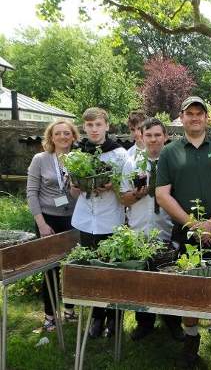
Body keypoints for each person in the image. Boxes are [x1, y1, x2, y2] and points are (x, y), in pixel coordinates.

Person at [155, 96, 211, 369]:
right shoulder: (169, 152)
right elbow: (161, 194)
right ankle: (191, 339)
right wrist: (193, 225)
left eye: (199, 113)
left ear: (206, 118)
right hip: (184, 233)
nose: (194, 117)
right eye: (189, 113)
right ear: (181, 117)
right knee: (188, 287)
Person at [120, 118, 179, 341]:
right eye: (148, 135)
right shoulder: (131, 162)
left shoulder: (174, 162)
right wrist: (139, 193)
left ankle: (173, 322)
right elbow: (122, 199)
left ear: (165, 137)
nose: (153, 139)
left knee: (169, 279)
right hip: (140, 230)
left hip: (167, 228)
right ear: (141, 137)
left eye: (157, 135)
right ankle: (144, 323)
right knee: (142, 279)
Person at [71, 107, 128, 338]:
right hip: (86, 219)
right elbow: (74, 192)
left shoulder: (119, 154)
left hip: (110, 220)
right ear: (84, 127)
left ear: (107, 126)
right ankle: (96, 317)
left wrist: (111, 186)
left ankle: (114, 318)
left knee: (112, 270)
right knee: (92, 270)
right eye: (90, 125)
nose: (94, 129)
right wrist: (76, 187)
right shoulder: (77, 153)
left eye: (98, 125)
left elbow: (125, 190)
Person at [26, 118, 80, 332]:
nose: (62, 137)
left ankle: (70, 309)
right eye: (58, 133)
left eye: (67, 133)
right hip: (48, 219)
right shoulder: (40, 159)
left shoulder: (78, 159)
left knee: (72, 266)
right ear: (51, 137)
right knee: (50, 269)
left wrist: (77, 187)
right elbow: (31, 193)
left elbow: (76, 194)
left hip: (73, 219)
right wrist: (41, 224)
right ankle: (49, 316)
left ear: (73, 136)